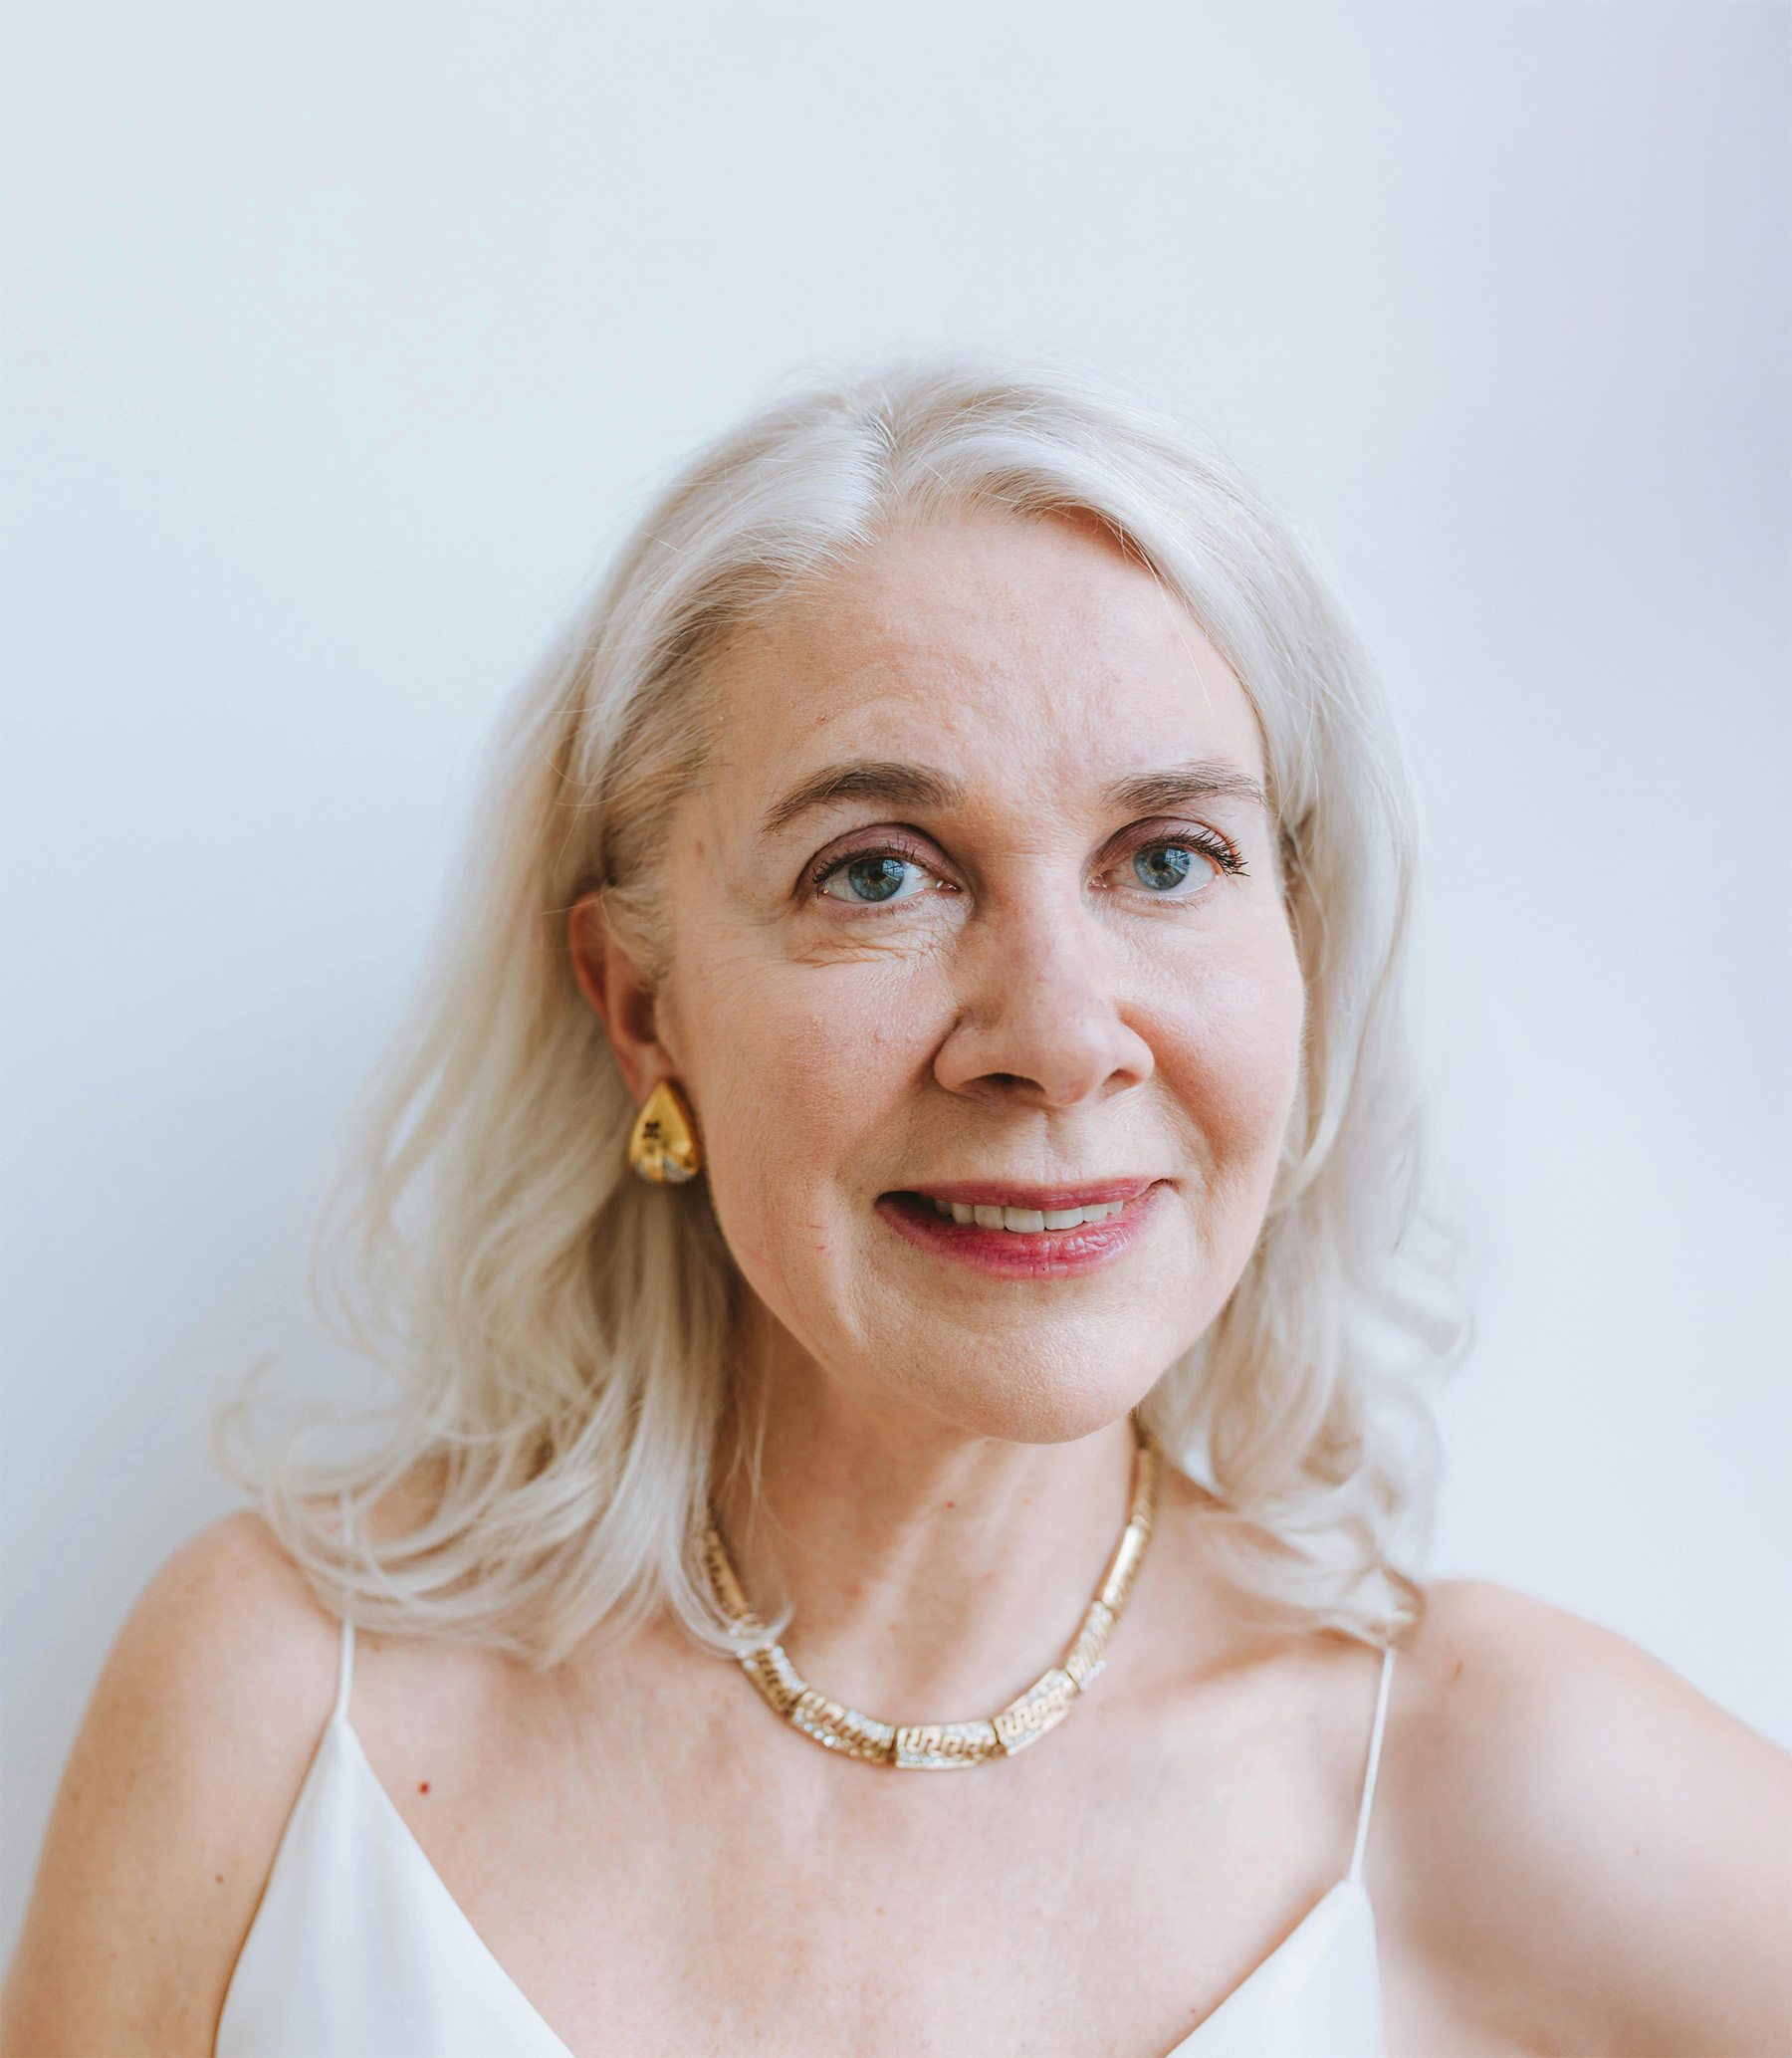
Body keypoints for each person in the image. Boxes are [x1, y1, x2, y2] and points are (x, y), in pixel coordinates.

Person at [3, 358, 1786, 2058]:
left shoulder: (1498, 1793)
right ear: (642, 1011)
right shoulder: (271, 1709)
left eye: (1170, 859)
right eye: (880, 873)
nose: (1065, 1039)